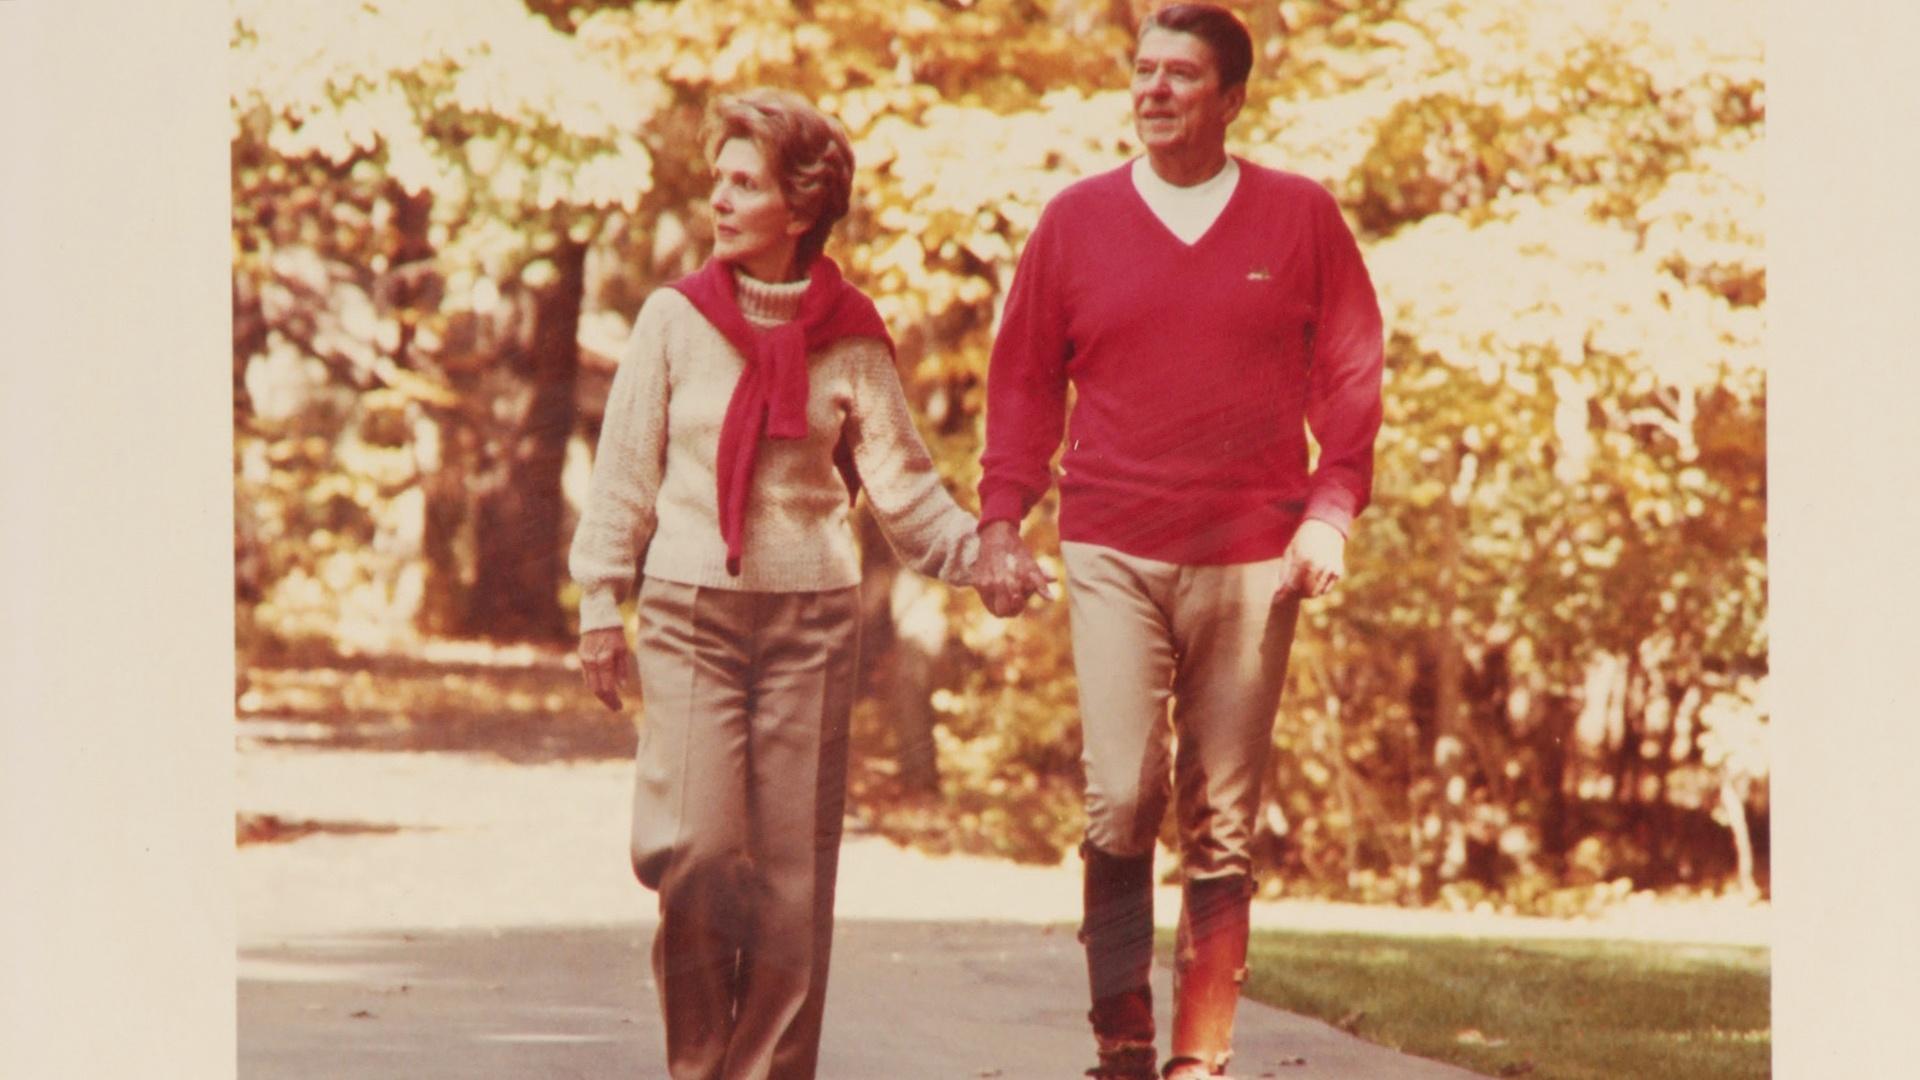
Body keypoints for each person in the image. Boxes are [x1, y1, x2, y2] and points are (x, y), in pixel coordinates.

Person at [971, 5, 1386, 1078]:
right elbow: (1022, 381)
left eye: (1182, 76)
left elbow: (1351, 376)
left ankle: (1199, 1059)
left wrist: (1331, 509)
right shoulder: (1075, 221)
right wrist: (1003, 520)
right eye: (1143, 71)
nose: (1154, 90)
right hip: (1112, 540)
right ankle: (1122, 1039)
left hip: (1255, 550)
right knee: (1120, 792)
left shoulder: (1300, 218)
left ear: (1233, 97)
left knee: (1225, 818)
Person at [568, 88, 989, 1080]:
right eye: (719, 179)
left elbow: (906, 491)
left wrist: (986, 559)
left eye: (743, 182)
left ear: (799, 211)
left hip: (813, 617)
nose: (719, 198)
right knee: (701, 855)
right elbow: (624, 475)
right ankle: (699, 1065)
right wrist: (598, 603)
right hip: (687, 610)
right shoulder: (673, 321)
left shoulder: (852, 334)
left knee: (795, 884)